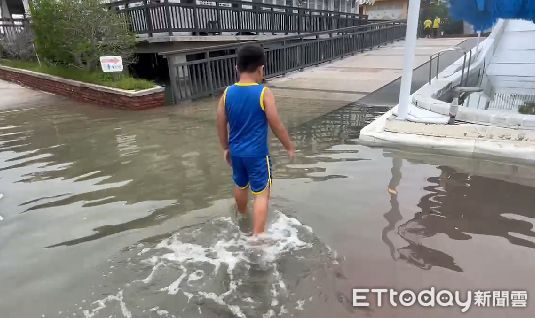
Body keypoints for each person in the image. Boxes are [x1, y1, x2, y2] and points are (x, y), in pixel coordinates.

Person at [216, 44, 296, 235]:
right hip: (258, 155)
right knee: (261, 194)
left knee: (240, 184)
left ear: (237, 68)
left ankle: (243, 216)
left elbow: (220, 122)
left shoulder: (227, 93)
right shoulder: (263, 92)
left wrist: (225, 147)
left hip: (236, 153)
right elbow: (275, 123)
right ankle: (258, 236)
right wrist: (289, 146)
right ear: (261, 68)